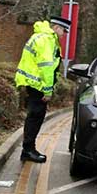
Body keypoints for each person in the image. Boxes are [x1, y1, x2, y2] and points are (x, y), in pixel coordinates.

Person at [15, 16, 70, 163]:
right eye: (64, 30)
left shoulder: (41, 36)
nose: (64, 34)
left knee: (34, 116)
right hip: (38, 84)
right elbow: (46, 67)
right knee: (35, 117)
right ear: (56, 27)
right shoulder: (47, 40)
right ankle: (28, 150)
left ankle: (28, 149)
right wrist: (47, 90)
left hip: (34, 83)